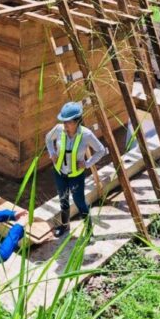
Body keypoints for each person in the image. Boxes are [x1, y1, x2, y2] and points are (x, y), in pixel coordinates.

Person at [45, 101, 108, 237]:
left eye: (68, 122)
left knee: (80, 203)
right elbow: (48, 139)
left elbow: (101, 150)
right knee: (63, 200)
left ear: (77, 121)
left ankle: (89, 231)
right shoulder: (58, 129)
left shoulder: (86, 135)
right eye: (64, 121)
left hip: (76, 176)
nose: (65, 125)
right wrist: (52, 153)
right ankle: (64, 226)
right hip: (59, 173)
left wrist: (87, 163)